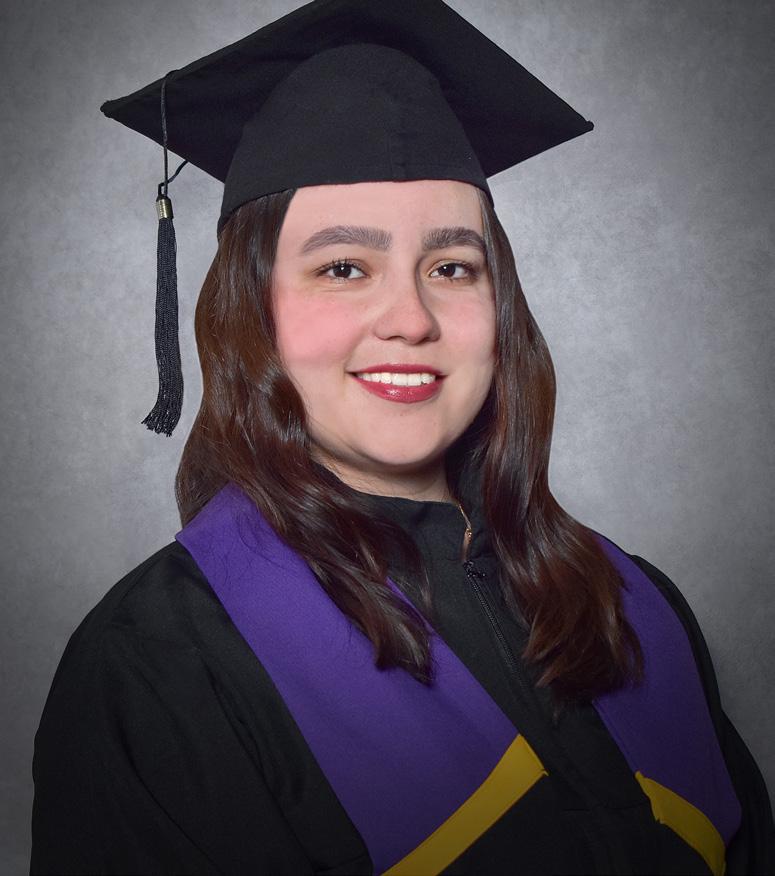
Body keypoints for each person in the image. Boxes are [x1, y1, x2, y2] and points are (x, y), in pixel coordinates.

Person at [30, 1, 773, 874]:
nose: (411, 319)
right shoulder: (161, 663)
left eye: (451, 267)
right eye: (343, 267)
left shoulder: (631, 604)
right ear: (251, 312)